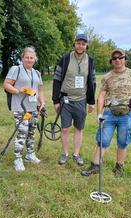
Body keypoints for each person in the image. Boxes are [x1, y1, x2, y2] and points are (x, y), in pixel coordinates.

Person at [81, 48, 131, 177]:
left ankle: (119, 166)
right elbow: (101, 95)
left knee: (123, 141)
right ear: (112, 61)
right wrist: (99, 114)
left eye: (120, 58)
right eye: (114, 58)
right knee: (103, 140)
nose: (117, 60)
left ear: (125, 59)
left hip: (127, 114)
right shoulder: (107, 77)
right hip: (109, 114)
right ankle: (95, 165)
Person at [52, 34, 96, 166]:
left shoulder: (90, 60)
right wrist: (55, 100)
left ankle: (76, 154)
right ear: (74, 43)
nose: (80, 46)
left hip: (81, 100)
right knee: (65, 129)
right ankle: (65, 154)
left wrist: (91, 102)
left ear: (86, 45)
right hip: (65, 100)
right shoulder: (65, 59)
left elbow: (92, 82)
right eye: (78, 43)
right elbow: (57, 79)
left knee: (79, 128)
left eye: (83, 44)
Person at [3, 47, 45, 171]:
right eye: (27, 57)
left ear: (35, 59)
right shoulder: (16, 69)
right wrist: (17, 90)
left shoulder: (37, 73)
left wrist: (42, 102)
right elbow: (6, 84)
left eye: (32, 58)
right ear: (22, 58)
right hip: (20, 107)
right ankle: (18, 159)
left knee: (31, 132)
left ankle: (30, 155)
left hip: (33, 108)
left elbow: (40, 90)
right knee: (22, 132)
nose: (29, 60)